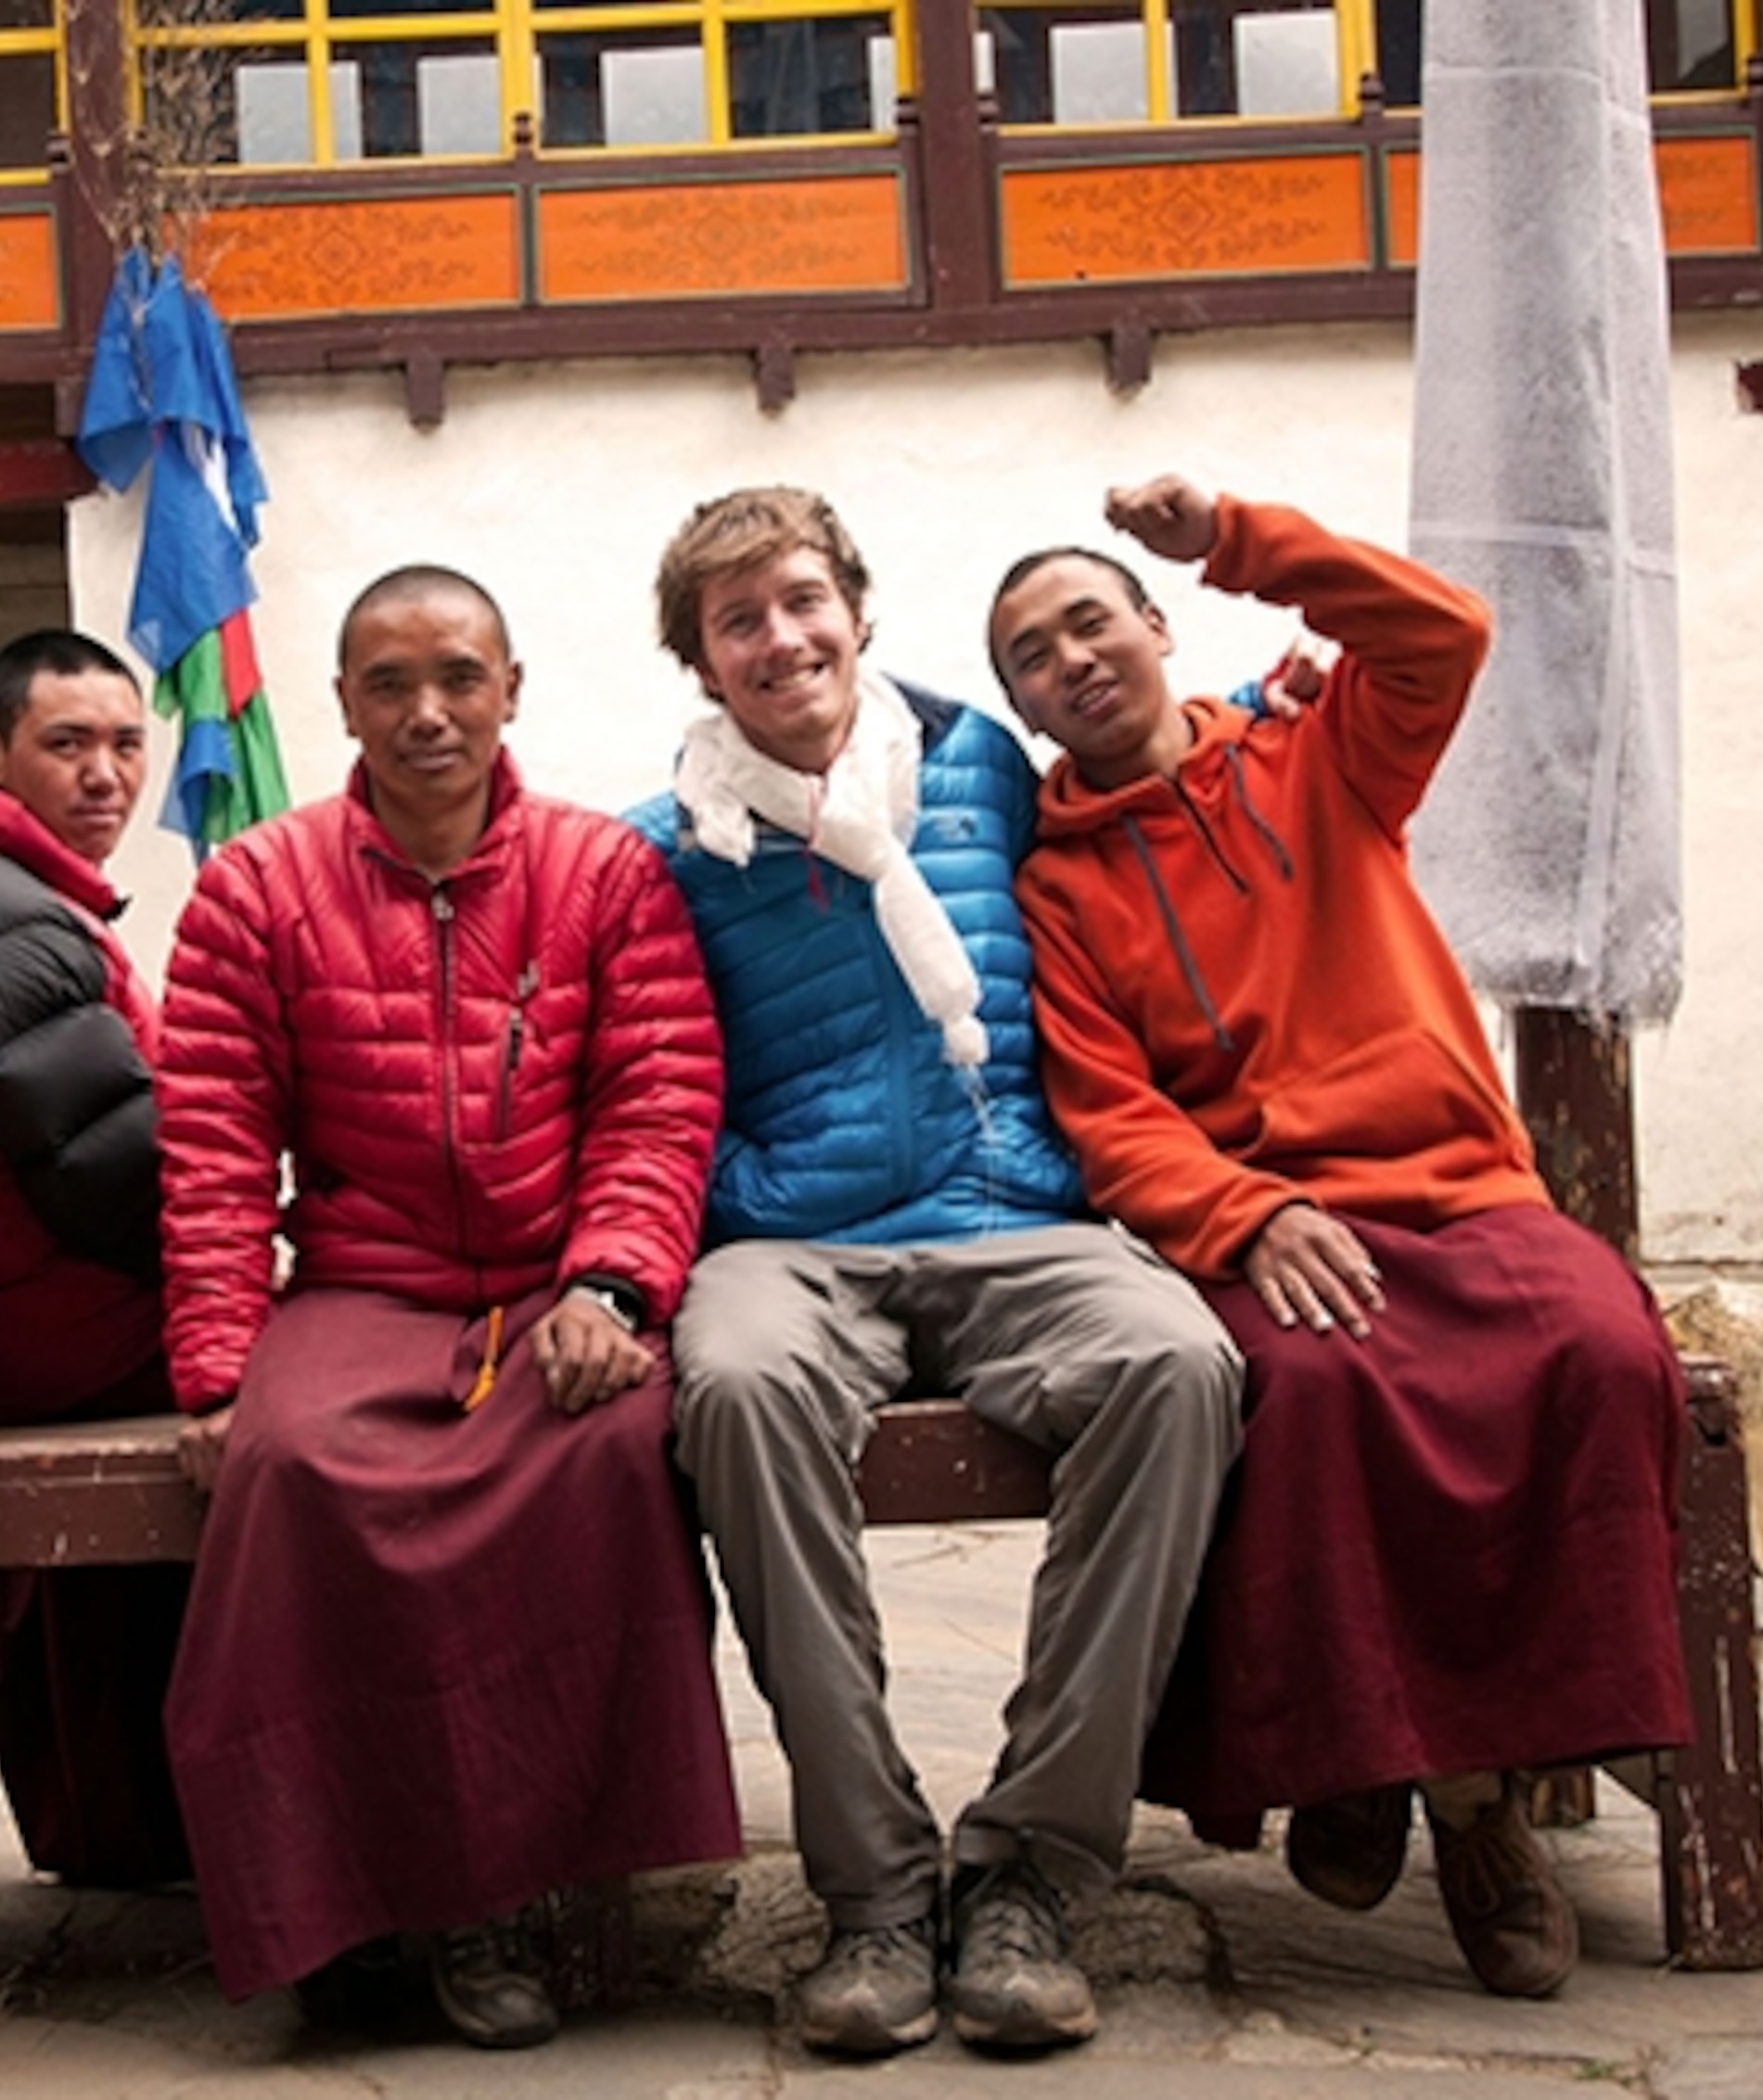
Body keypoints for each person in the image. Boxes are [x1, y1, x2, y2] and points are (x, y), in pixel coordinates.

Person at [989, 476, 1693, 2000]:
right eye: (1035, 657)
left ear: (1158, 625)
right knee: (1301, 1394)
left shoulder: (1323, 758)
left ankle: (1485, 1798)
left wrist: (1237, 534)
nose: (1074, 660)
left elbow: (1444, 630)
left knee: (1598, 1345)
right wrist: (1249, 1214)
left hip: (1460, 1186)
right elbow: (1112, 1117)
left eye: (1091, 619)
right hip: (1277, 1220)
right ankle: (1369, 1759)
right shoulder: (1059, 884)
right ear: (1029, 710)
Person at [629, 487, 1245, 2059]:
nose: (782, 639)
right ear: (703, 667)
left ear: (857, 607)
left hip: (1008, 1212)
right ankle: (878, 1891)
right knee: (742, 1388)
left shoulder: (980, 763)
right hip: (792, 1238)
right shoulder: (668, 847)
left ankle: (1034, 1865)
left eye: (801, 599)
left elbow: (1170, 795)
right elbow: (637, 1070)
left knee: (1175, 1365)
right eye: (739, 621)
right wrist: (726, 1204)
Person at [153, 565, 742, 2048]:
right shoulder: (256, 885)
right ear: (342, 703)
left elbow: (659, 1101)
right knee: (290, 1472)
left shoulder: (604, 871)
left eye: (459, 678)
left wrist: (613, 1279)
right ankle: (334, 1900)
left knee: (609, 1451)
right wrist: (222, 1366)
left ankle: (520, 1896)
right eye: (390, 684)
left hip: (560, 1282)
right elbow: (217, 1139)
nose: (428, 714)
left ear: (512, 688)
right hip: (365, 1282)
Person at [0, 629, 191, 1891]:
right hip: (66, 1325)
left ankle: (125, 1825)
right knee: (354, 1402)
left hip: (39, 1305)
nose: (105, 774)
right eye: (68, 744)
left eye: (125, 743)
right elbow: (116, 1176)